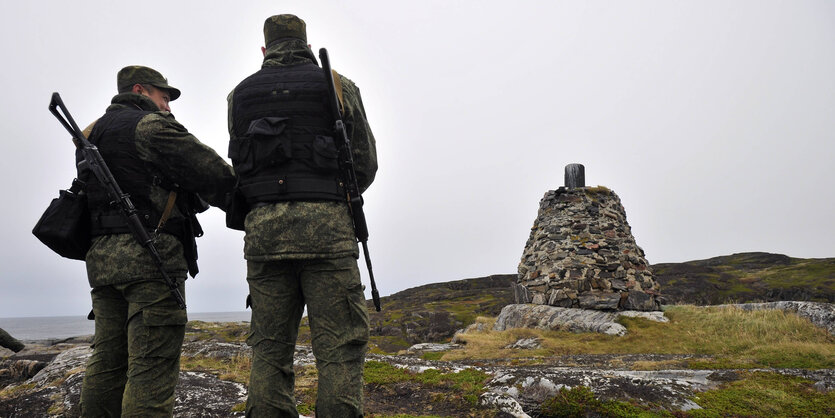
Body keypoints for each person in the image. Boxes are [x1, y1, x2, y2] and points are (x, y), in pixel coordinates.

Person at [227, 14, 378, 417]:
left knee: (269, 350)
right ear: (307, 45)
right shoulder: (338, 85)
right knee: (340, 349)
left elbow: (240, 165)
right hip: (328, 231)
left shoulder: (239, 95)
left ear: (265, 50)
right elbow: (364, 162)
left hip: (263, 235)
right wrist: (331, 198)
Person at [78, 65, 235, 416]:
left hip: (102, 264)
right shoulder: (150, 126)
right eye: (164, 97)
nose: (168, 106)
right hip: (151, 260)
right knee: (151, 367)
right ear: (140, 91)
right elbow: (213, 172)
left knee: (107, 362)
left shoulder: (91, 135)